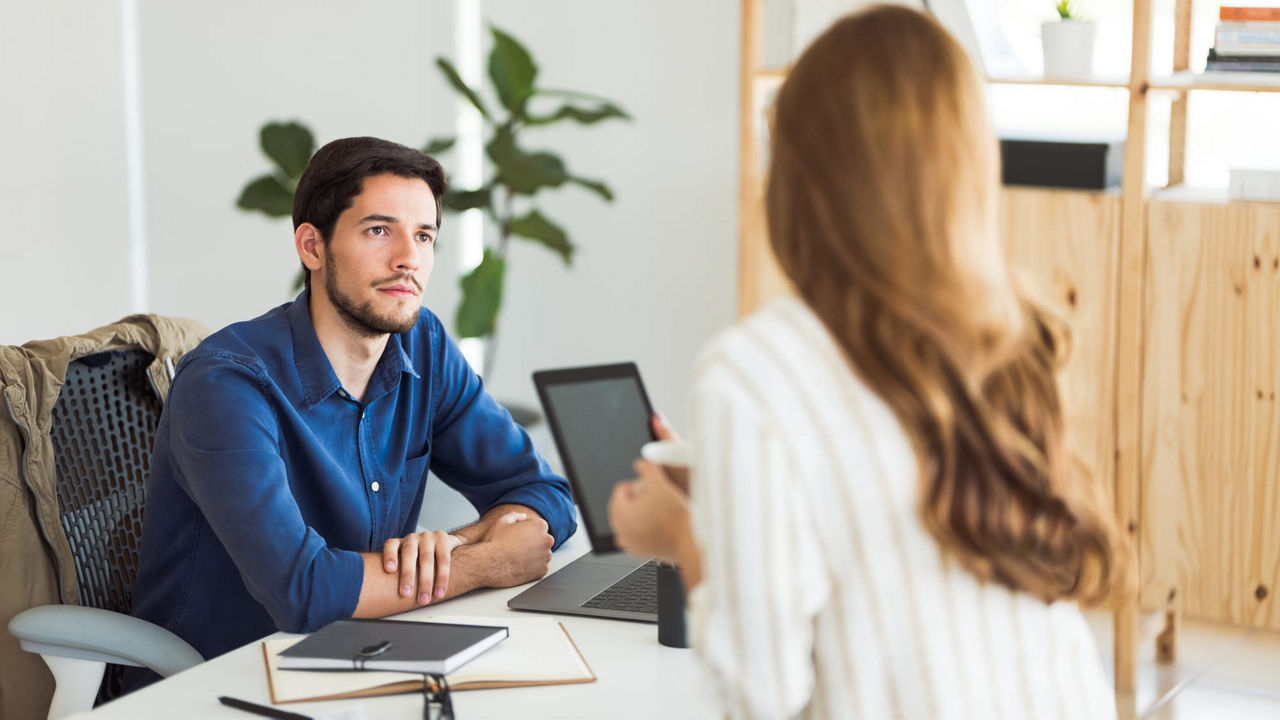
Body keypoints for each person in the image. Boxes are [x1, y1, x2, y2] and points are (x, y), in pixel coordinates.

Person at [609, 6, 1134, 719]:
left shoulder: (752, 369)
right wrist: (729, 505)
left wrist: (680, 536)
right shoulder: (1004, 333)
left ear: (799, 170)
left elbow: (757, 694)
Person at [127, 137, 575, 688]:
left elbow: (544, 494)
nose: (408, 257)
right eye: (379, 230)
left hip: (361, 658)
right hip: (221, 684)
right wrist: (486, 561)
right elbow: (304, 591)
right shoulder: (226, 383)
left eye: (425, 235)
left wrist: (452, 544)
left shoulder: (422, 345)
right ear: (312, 248)